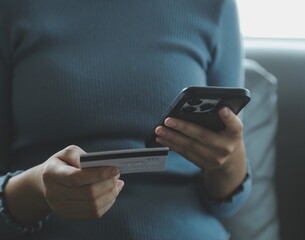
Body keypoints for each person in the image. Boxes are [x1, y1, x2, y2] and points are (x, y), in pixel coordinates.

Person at [0, 0, 251, 239]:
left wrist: (226, 160)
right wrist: (38, 189)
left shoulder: (213, 6)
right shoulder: (13, 8)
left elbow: (228, 204)